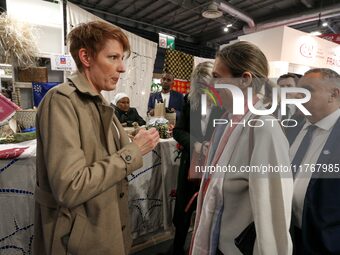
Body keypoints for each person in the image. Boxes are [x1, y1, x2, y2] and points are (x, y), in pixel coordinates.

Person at [33, 21, 159, 255]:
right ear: (86, 57)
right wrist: (133, 151)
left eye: (122, 59)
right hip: (78, 240)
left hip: (102, 231)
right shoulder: (62, 101)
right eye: (113, 57)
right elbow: (70, 186)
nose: (121, 68)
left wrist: (133, 142)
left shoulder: (100, 102)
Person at [190, 41, 293, 255]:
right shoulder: (228, 122)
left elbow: (273, 218)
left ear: (245, 79)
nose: (211, 85)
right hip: (216, 244)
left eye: (217, 77)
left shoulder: (264, 129)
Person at [172, 61, 224, 255]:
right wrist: (195, 144)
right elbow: (178, 131)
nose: (206, 90)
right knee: (182, 214)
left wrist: (213, 145)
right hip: (190, 166)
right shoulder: (189, 101)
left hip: (213, 168)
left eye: (210, 84)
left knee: (207, 213)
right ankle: (177, 248)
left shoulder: (224, 105)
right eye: (201, 86)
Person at [287, 68, 340, 254]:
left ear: (333, 94)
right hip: (286, 236)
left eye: (307, 91)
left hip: (324, 244)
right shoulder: (294, 128)